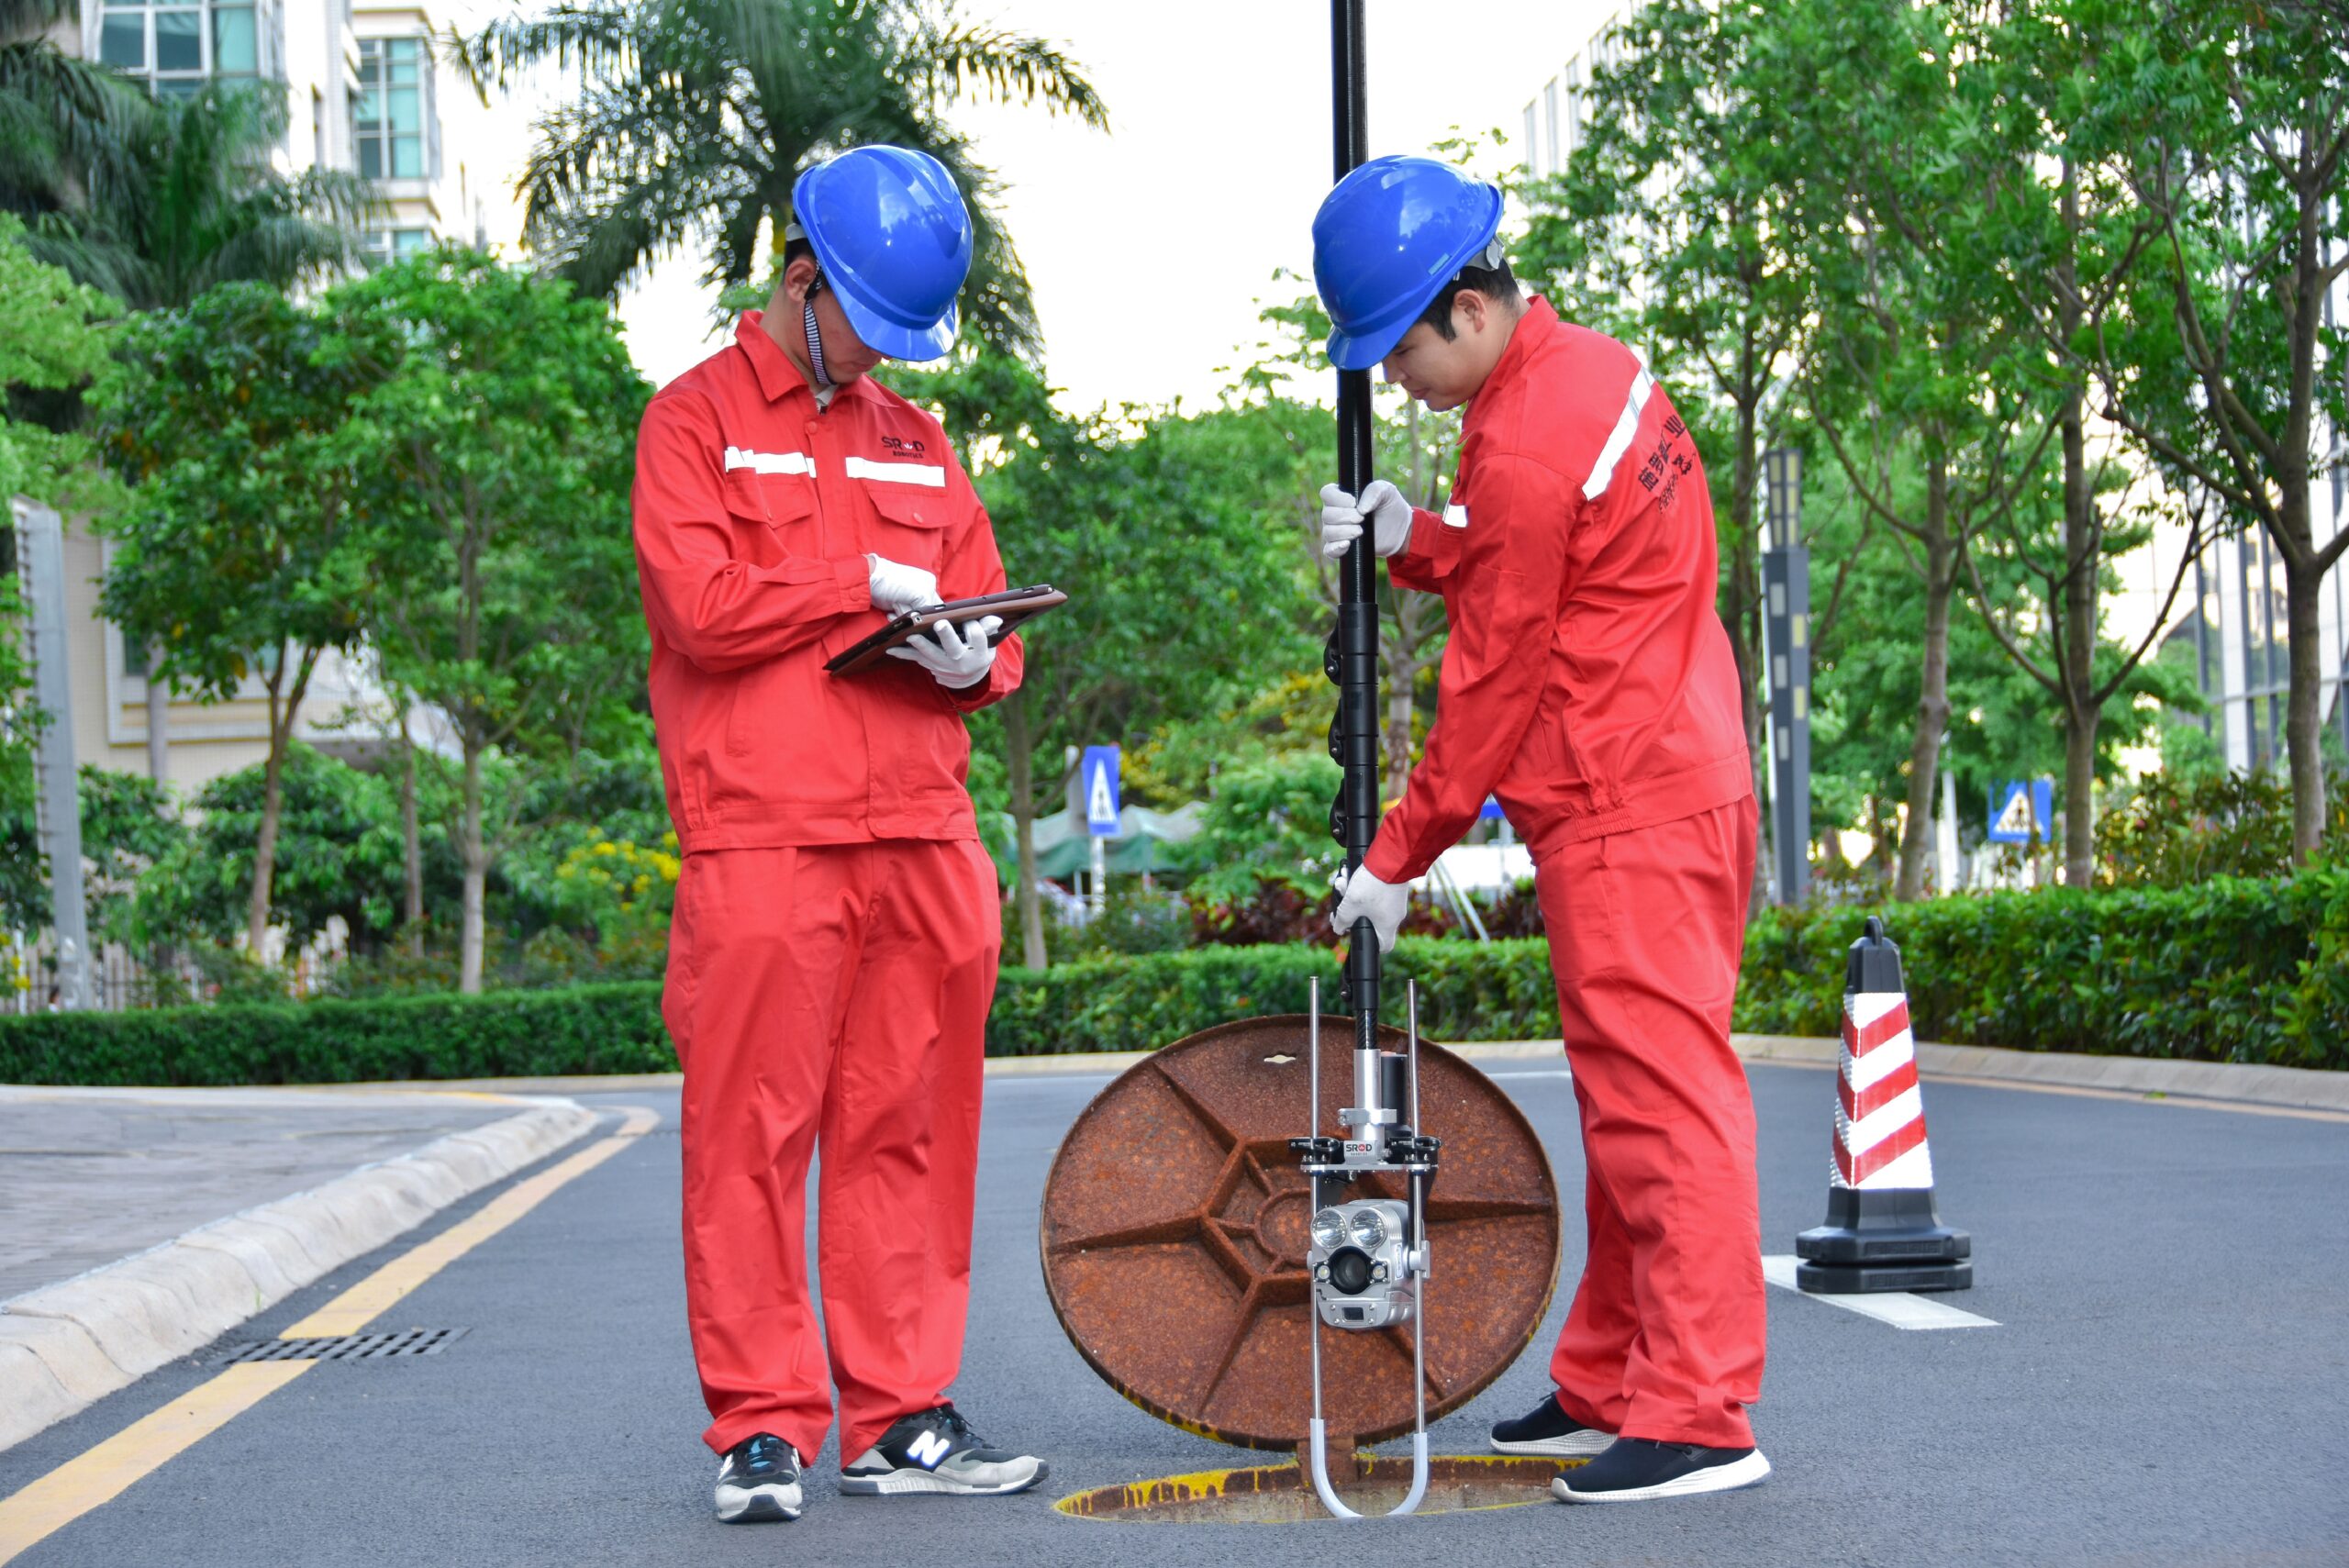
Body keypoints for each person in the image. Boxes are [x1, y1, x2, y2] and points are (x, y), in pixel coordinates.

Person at [1312, 155, 1769, 1505]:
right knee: (1632, 1097)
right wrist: (1418, 535)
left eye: (1398, 352)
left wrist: (1397, 853)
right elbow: (1552, 569)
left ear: (1464, 304)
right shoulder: (1583, 373)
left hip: (1625, 795)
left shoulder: (1521, 436)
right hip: (1677, 764)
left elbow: (1497, 671)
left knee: (1664, 1104)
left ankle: (1700, 1414)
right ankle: (1619, 1374)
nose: (1394, 382)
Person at [630, 143, 1044, 1524]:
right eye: (871, 322)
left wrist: (968, 658)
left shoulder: (918, 442)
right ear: (802, 279)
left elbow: (989, 625)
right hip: (765, 837)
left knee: (909, 1133)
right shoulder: (690, 423)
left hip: (923, 837)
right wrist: (848, 584)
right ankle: (760, 1424)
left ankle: (902, 1414)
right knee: (749, 1134)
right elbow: (699, 605)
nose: (884, 356)